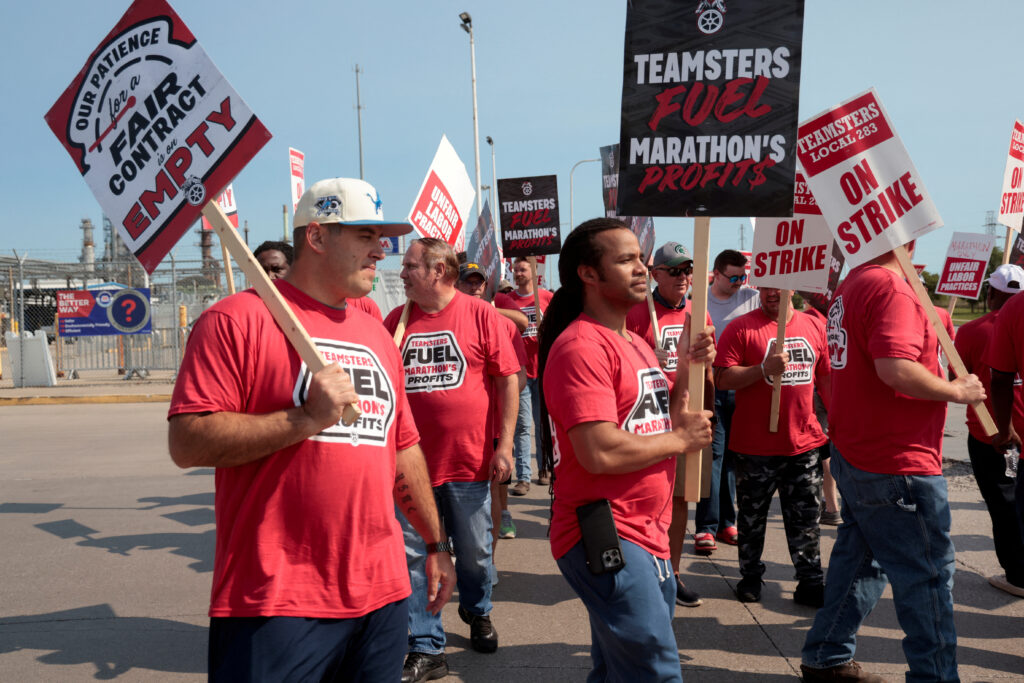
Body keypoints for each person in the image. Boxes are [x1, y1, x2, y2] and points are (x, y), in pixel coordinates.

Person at [168, 177, 455, 682]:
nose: (381, 250)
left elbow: (402, 446)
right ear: (317, 237)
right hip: (276, 598)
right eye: (365, 235)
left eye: (382, 237)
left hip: (383, 594)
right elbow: (188, 441)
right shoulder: (236, 320)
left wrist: (435, 545)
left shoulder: (378, 336)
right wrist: (305, 419)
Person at [800, 243, 985, 683]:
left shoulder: (852, 283)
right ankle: (935, 676)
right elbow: (895, 368)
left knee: (860, 560)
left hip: (860, 453)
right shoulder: (890, 287)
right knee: (927, 578)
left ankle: (825, 655)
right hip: (897, 461)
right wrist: (958, 392)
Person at [539, 218, 715, 681]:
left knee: (619, 670)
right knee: (655, 670)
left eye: (641, 258)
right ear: (589, 275)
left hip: (648, 530)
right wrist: (682, 440)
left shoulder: (634, 340)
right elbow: (600, 452)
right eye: (626, 260)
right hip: (606, 530)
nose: (642, 268)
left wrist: (685, 370)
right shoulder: (580, 348)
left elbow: (661, 420)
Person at [385, 240, 519, 683]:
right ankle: (426, 646)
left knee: (476, 556)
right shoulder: (395, 323)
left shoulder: (481, 315)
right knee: (417, 557)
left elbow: (507, 382)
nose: (401, 273)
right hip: (409, 469)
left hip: (467, 465)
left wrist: (504, 448)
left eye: (410, 266)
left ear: (439, 269)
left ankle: (477, 610)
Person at [714, 288, 829, 606]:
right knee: (751, 518)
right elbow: (721, 378)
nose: (770, 295)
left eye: (777, 289)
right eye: (764, 289)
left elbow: (826, 377)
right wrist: (763, 369)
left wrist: (839, 422)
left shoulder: (814, 326)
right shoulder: (742, 328)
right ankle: (750, 576)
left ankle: (810, 581)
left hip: (803, 444)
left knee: (806, 518)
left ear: (792, 288)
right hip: (754, 448)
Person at [626, 240, 715, 608]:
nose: (682, 278)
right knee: (643, 497)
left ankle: (672, 573)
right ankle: (639, 572)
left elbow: (710, 373)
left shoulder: (700, 312)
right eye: (674, 271)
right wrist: (649, 354)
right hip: (645, 418)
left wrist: (708, 363)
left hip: (684, 417)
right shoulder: (635, 314)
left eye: (686, 271)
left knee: (678, 500)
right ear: (655, 275)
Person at [455, 262, 528, 545]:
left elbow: (519, 377)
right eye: (468, 282)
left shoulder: (502, 324)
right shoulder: (446, 319)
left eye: (479, 283)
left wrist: (494, 388)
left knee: (494, 492)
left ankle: (491, 561)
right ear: (456, 284)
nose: (474, 288)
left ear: (486, 287)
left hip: (494, 424)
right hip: (458, 432)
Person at [695, 249, 759, 555]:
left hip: (743, 385)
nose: (738, 282)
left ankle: (726, 523)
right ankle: (706, 527)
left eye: (742, 276)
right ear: (716, 274)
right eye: (732, 277)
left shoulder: (751, 295)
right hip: (711, 386)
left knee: (733, 460)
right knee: (713, 457)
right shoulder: (700, 302)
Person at [980, 264, 1024, 598]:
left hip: (997, 438)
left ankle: (1017, 572)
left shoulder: (1016, 309)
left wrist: (1004, 427)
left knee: (1004, 501)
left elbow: (999, 378)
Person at [495, 257, 554, 494]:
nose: (517, 273)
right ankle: (523, 477)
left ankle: (544, 468)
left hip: (545, 370)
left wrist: (547, 334)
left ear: (533, 270)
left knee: (543, 424)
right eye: (514, 269)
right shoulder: (509, 301)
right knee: (521, 426)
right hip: (520, 371)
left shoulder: (546, 298)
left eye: (522, 268)